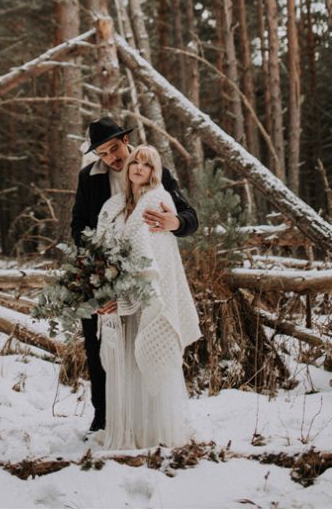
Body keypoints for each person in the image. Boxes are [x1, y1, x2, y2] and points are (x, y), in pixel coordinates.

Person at [70, 116, 199, 433]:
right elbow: (78, 226)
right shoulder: (89, 178)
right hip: (101, 271)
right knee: (98, 343)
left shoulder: (153, 169)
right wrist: (101, 260)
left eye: (114, 149)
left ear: (125, 141)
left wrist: (175, 222)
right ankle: (103, 417)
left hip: (144, 276)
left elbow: (189, 216)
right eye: (102, 153)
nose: (111, 158)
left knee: (143, 341)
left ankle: (146, 418)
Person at [95, 144, 201, 449]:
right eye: (135, 163)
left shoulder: (157, 199)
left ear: (155, 172)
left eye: (147, 164)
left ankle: (156, 433)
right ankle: (130, 431)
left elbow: (149, 256)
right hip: (119, 295)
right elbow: (102, 250)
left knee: (148, 358)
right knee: (126, 365)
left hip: (147, 297)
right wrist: (104, 291)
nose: (139, 168)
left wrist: (176, 221)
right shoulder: (113, 205)